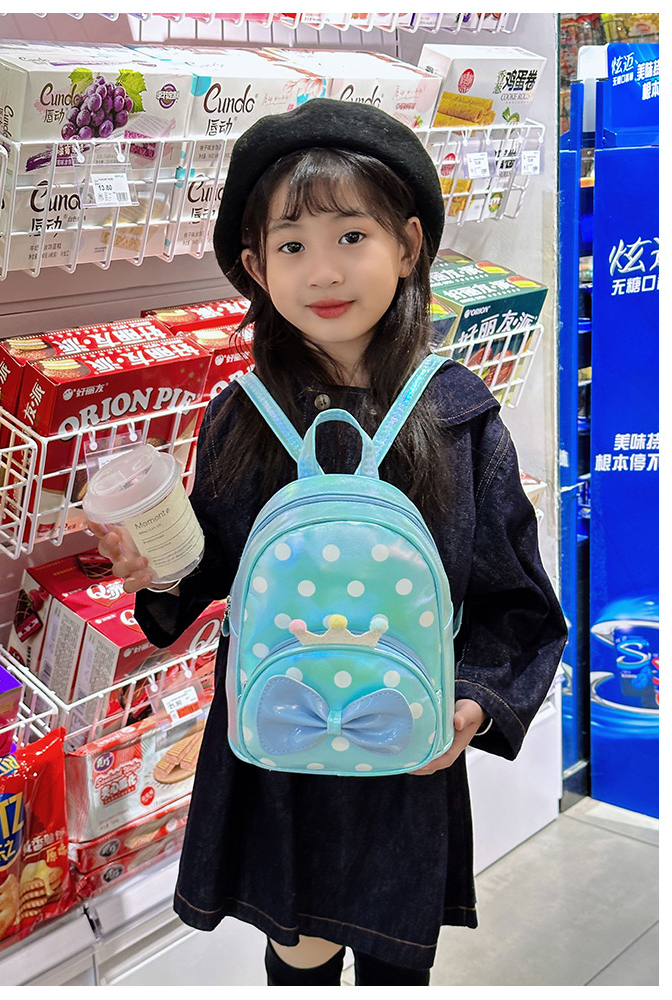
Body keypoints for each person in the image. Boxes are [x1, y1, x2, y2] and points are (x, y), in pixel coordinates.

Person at [89, 98, 567, 987]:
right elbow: (214, 564)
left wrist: (474, 702)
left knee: (392, 958)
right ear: (255, 268)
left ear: (409, 245)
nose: (323, 271)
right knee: (298, 949)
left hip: (404, 737)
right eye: (292, 245)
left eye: (352, 235)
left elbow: (516, 601)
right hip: (278, 743)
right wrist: (158, 569)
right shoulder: (243, 415)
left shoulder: (456, 415)